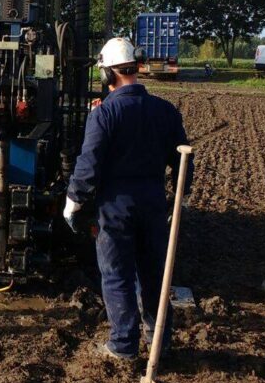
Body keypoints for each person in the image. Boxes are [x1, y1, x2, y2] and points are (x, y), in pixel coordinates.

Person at [63, 37, 193, 360]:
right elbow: (182, 163)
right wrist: (181, 196)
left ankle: (123, 345)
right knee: (154, 273)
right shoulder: (165, 111)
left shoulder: (105, 115)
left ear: (108, 75)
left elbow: (88, 165)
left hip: (115, 207)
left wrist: (73, 201)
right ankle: (159, 340)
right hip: (153, 203)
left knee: (118, 274)